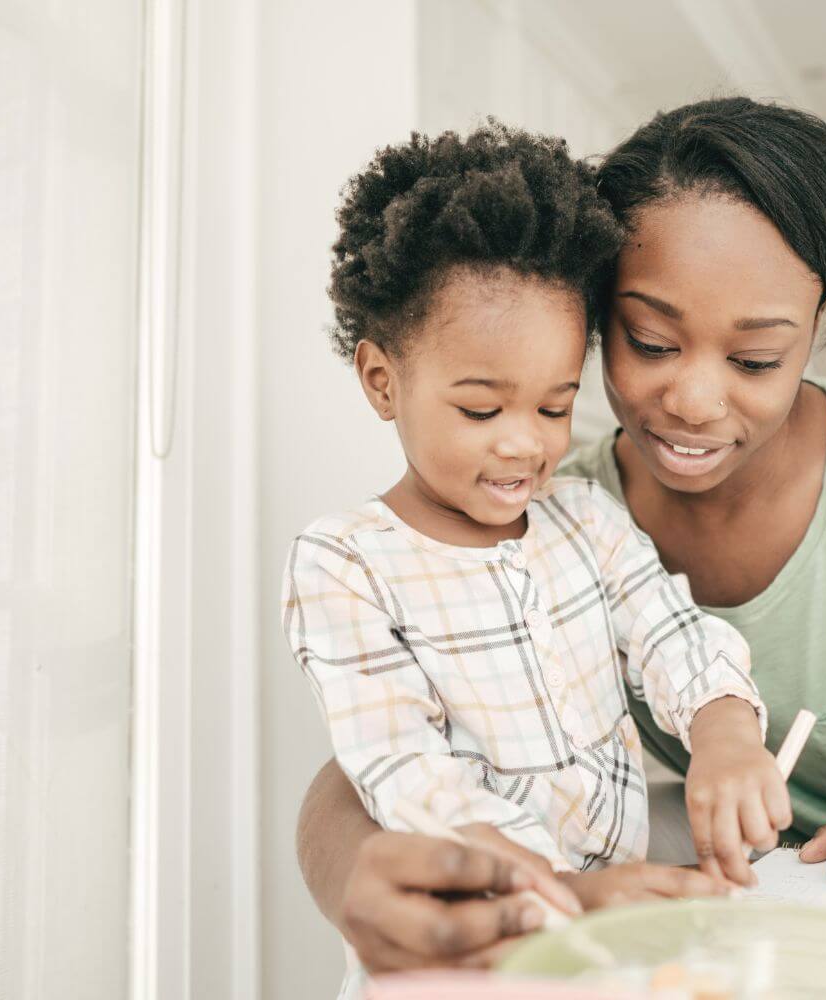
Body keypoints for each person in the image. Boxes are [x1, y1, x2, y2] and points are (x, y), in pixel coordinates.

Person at [296, 97, 826, 974]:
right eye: (651, 341)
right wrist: (355, 876)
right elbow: (381, 752)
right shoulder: (549, 511)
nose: (695, 403)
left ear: (816, 330)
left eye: (753, 360)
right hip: (807, 897)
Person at [282, 122, 793, 996]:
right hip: (475, 949)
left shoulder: (584, 519)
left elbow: (671, 630)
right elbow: (404, 774)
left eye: (555, 408)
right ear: (382, 382)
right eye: (482, 411)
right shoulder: (347, 564)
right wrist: (563, 895)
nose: (525, 445)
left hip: (618, 936)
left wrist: (724, 731)